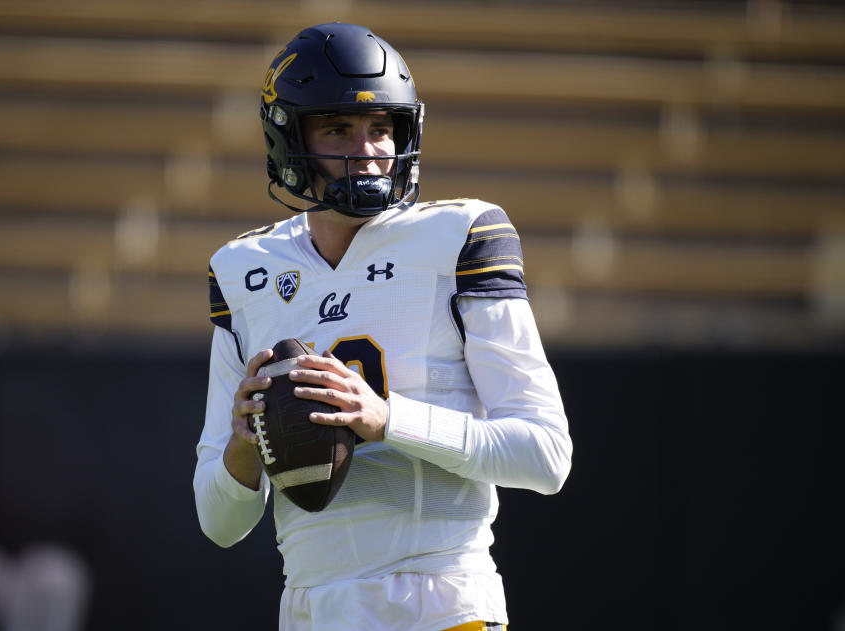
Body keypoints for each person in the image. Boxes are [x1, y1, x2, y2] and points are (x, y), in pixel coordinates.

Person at [194, 23, 572, 631]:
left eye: (382, 128)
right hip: (312, 610)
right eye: (338, 129)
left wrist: (387, 418)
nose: (367, 150)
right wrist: (245, 446)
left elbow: (547, 455)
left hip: (443, 605)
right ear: (290, 138)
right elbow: (219, 522)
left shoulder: (459, 236)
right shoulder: (246, 270)